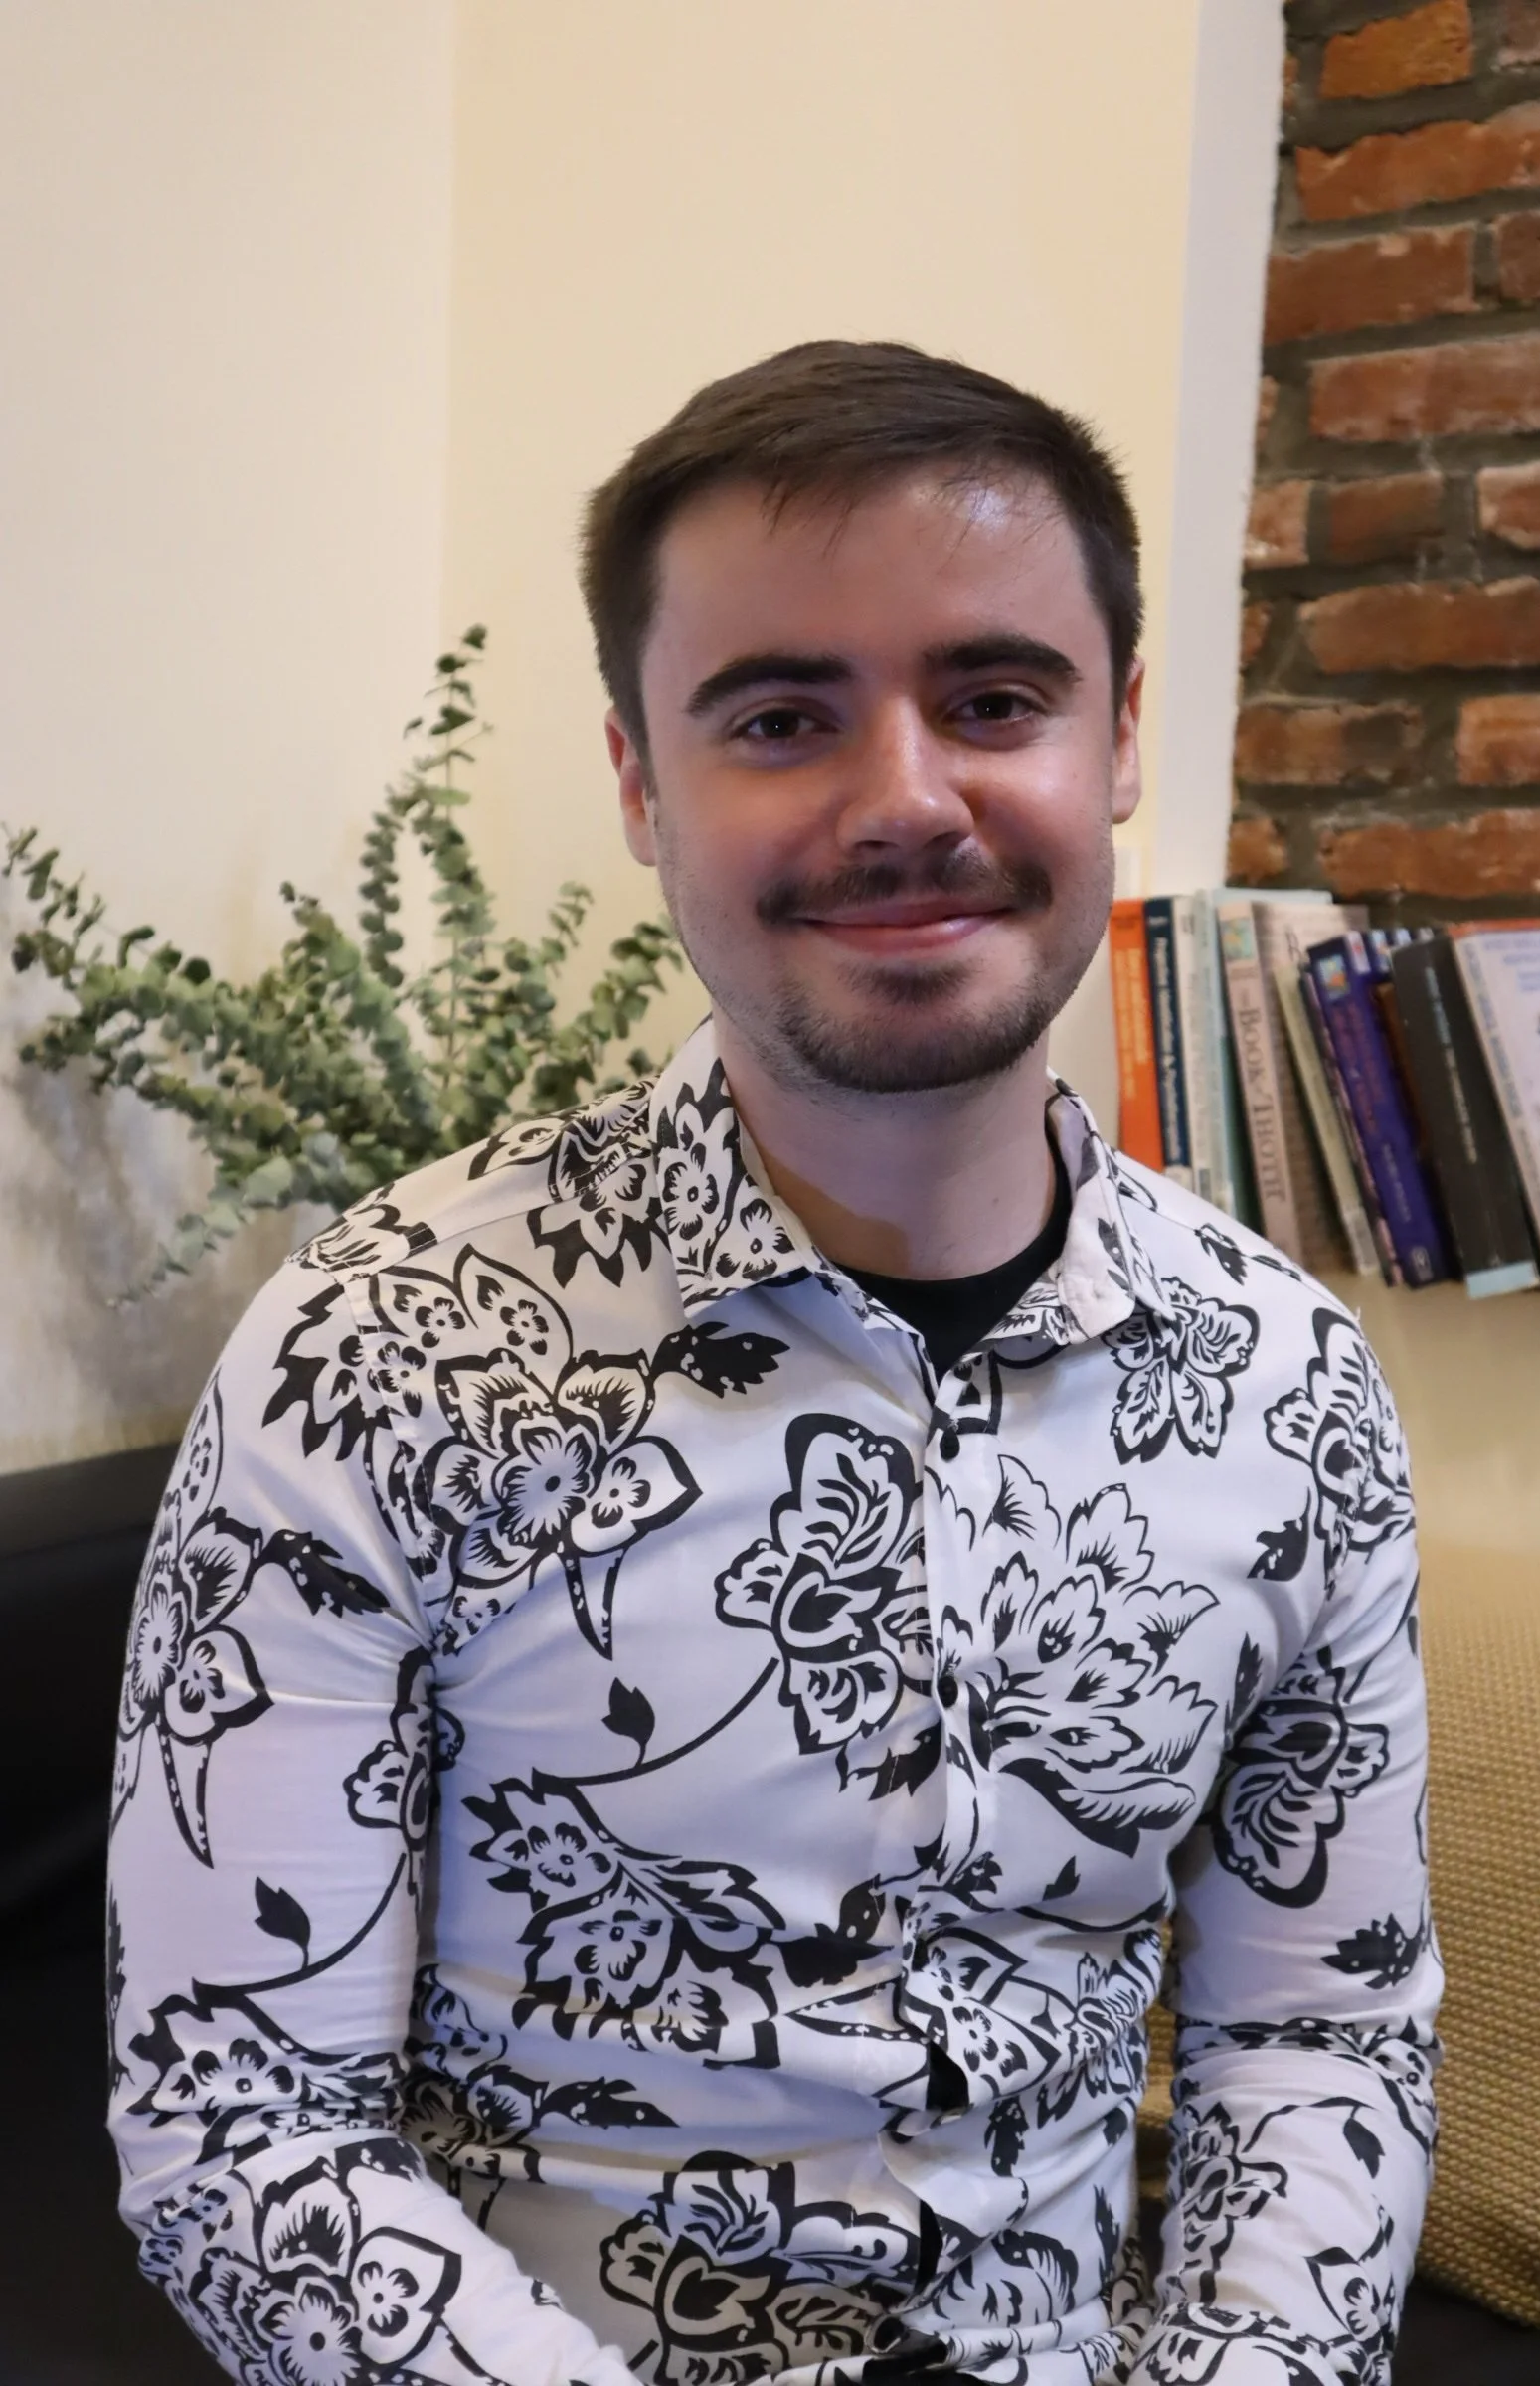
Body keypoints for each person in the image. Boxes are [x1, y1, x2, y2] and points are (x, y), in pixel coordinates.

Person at [108, 342, 1440, 2386]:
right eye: (779, 718)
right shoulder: (368, 1355)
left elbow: (1316, 2031)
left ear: (1119, 743)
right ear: (642, 784)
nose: (903, 797)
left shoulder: (1293, 1392)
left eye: (993, 700)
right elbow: (244, 2132)